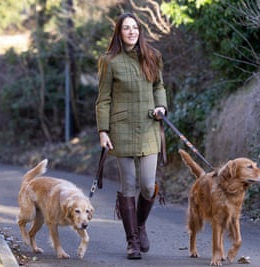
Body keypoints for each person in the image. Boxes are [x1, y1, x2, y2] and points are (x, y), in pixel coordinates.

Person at [95, 12, 167, 260]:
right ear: (119, 32)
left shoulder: (152, 56)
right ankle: (132, 241)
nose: (131, 31)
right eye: (126, 28)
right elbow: (103, 99)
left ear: (140, 31)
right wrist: (103, 131)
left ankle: (139, 224)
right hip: (121, 129)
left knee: (148, 186)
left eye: (135, 27)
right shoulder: (109, 61)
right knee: (128, 185)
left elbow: (159, 86)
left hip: (148, 127)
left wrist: (161, 107)